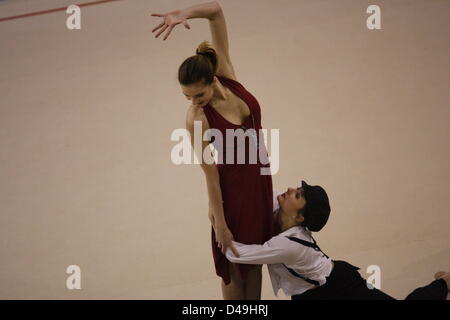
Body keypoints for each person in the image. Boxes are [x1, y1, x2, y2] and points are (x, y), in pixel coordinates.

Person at [151, 1, 274, 299]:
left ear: (213, 79)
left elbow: (216, 11)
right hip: (231, 193)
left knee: (255, 263)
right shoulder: (197, 119)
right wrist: (220, 222)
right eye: (186, 95)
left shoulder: (227, 72)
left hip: (259, 181)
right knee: (234, 266)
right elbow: (209, 175)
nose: (193, 101)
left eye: (199, 93)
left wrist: (182, 14)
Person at [226, 180, 449, 300]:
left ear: (300, 216)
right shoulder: (279, 208)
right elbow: (257, 192)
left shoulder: (287, 245)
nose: (290, 189)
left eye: (298, 195)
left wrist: (218, 222)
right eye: (298, 189)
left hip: (341, 286)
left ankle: (444, 283)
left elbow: (235, 253)